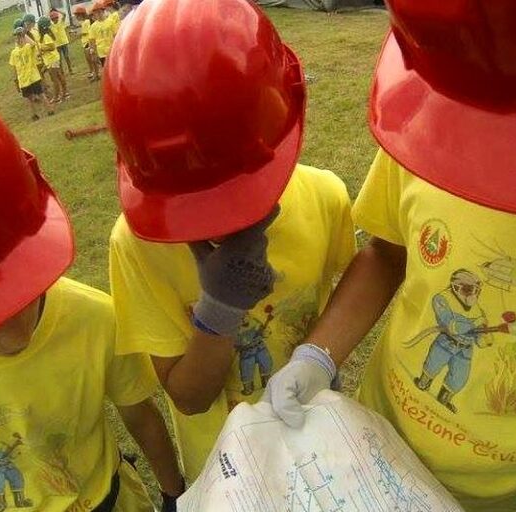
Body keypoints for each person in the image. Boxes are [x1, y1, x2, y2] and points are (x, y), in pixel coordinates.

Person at [264, 1, 516, 512]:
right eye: (495, 147)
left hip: (505, 497)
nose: (513, 187)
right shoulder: (441, 121)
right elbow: (389, 254)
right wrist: (316, 355)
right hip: (372, 444)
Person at [0, 79, 184, 512]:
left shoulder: (94, 318)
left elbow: (140, 414)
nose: (8, 330)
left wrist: (173, 493)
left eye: (15, 291)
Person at [104, 0, 356, 482]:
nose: (217, 224)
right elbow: (191, 399)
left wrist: (317, 360)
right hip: (227, 471)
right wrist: (218, 310)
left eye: (235, 196)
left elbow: (341, 310)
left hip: (319, 442)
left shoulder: (326, 198)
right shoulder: (136, 245)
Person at [9, 26, 54, 120]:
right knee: (29, 98)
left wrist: (24, 35)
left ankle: (50, 110)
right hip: (23, 79)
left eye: (19, 37)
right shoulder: (14, 52)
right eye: (17, 37)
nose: (18, 39)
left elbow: (34, 44)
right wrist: (16, 80)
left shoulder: (28, 47)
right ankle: (34, 115)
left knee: (41, 94)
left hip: (33, 76)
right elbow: (14, 67)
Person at [37, 15, 68, 103]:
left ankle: (57, 96)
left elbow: (52, 47)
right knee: (59, 76)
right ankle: (64, 93)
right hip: (51, 59)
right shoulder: (47, 34)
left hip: (52, 60)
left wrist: (42, 49)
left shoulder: (46, 36)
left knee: (55, 79)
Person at [73, 4, 99, 81]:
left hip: (88, 42)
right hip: (85, 42)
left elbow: (86, 32)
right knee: (90, 59)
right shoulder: (84, 22)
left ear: (81, 15)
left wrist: (77, 34)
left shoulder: (86, 22)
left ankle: (96, 73)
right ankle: (94, 72)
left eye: (77, 15)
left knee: (92, 59)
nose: (76, 17)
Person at [88, 1, 112, 68]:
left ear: (103, 11)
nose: (98, 14)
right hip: (102, 52)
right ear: (94, 14)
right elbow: (92, 41)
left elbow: (115, 35)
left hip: (112, 50)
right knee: (105, 68)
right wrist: (93, 52)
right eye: (96, 13)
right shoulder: (93, 26)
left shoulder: (110, 21)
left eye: (100, 12)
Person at [49, 9, 73, 76]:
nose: (55, 20)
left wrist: (57, 11)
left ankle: (70, 69)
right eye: (53, 19)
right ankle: (61, 71)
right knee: (59, 59)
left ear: (58, 17)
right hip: (57, 45)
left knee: (66, 56)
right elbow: (47, 21)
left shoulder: (61, 22)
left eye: (56, 18)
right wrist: (49, 13)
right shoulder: (51, 26)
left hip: (64, 42)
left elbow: (64, 14)